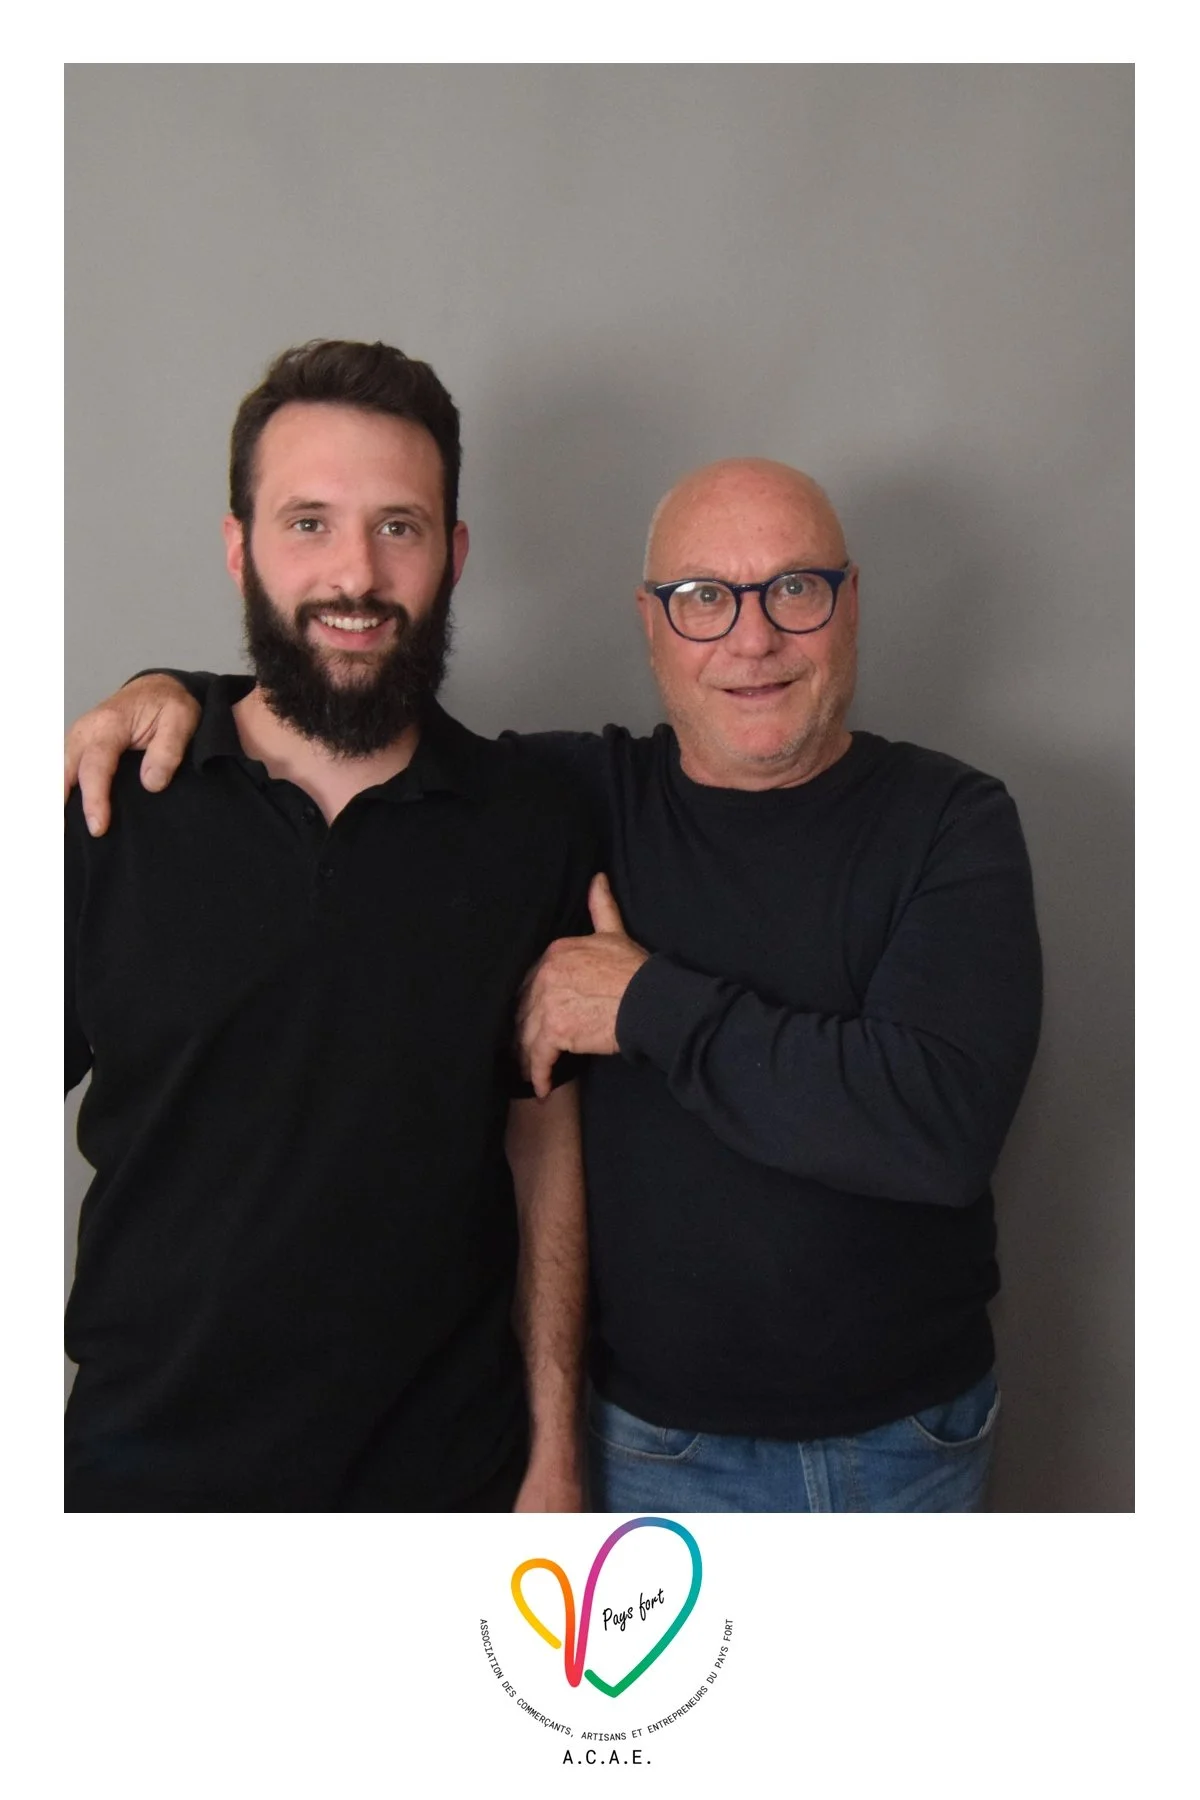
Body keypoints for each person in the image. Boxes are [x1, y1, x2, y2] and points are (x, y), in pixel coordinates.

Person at [67, 453, 1043, 1513]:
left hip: (909, 1439)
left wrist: (642, 1003)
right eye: (703, 598)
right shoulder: (564, 802)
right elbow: (344, 730)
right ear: (650, 623)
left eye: (795, 591)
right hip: (651, 1452)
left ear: (850, 604)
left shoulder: (953, 819)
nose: (752, 639)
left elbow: (938, 1126)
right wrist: (174, 697)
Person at [64, 340, 598, 1512]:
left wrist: (555, 1449)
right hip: (143, 1489)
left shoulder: (531, 823)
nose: (355, 574)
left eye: (399, 526)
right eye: (308, 521)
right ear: (237, 547)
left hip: (446, 1489)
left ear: (453, 556)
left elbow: (542, 1146)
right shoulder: (108, 806)